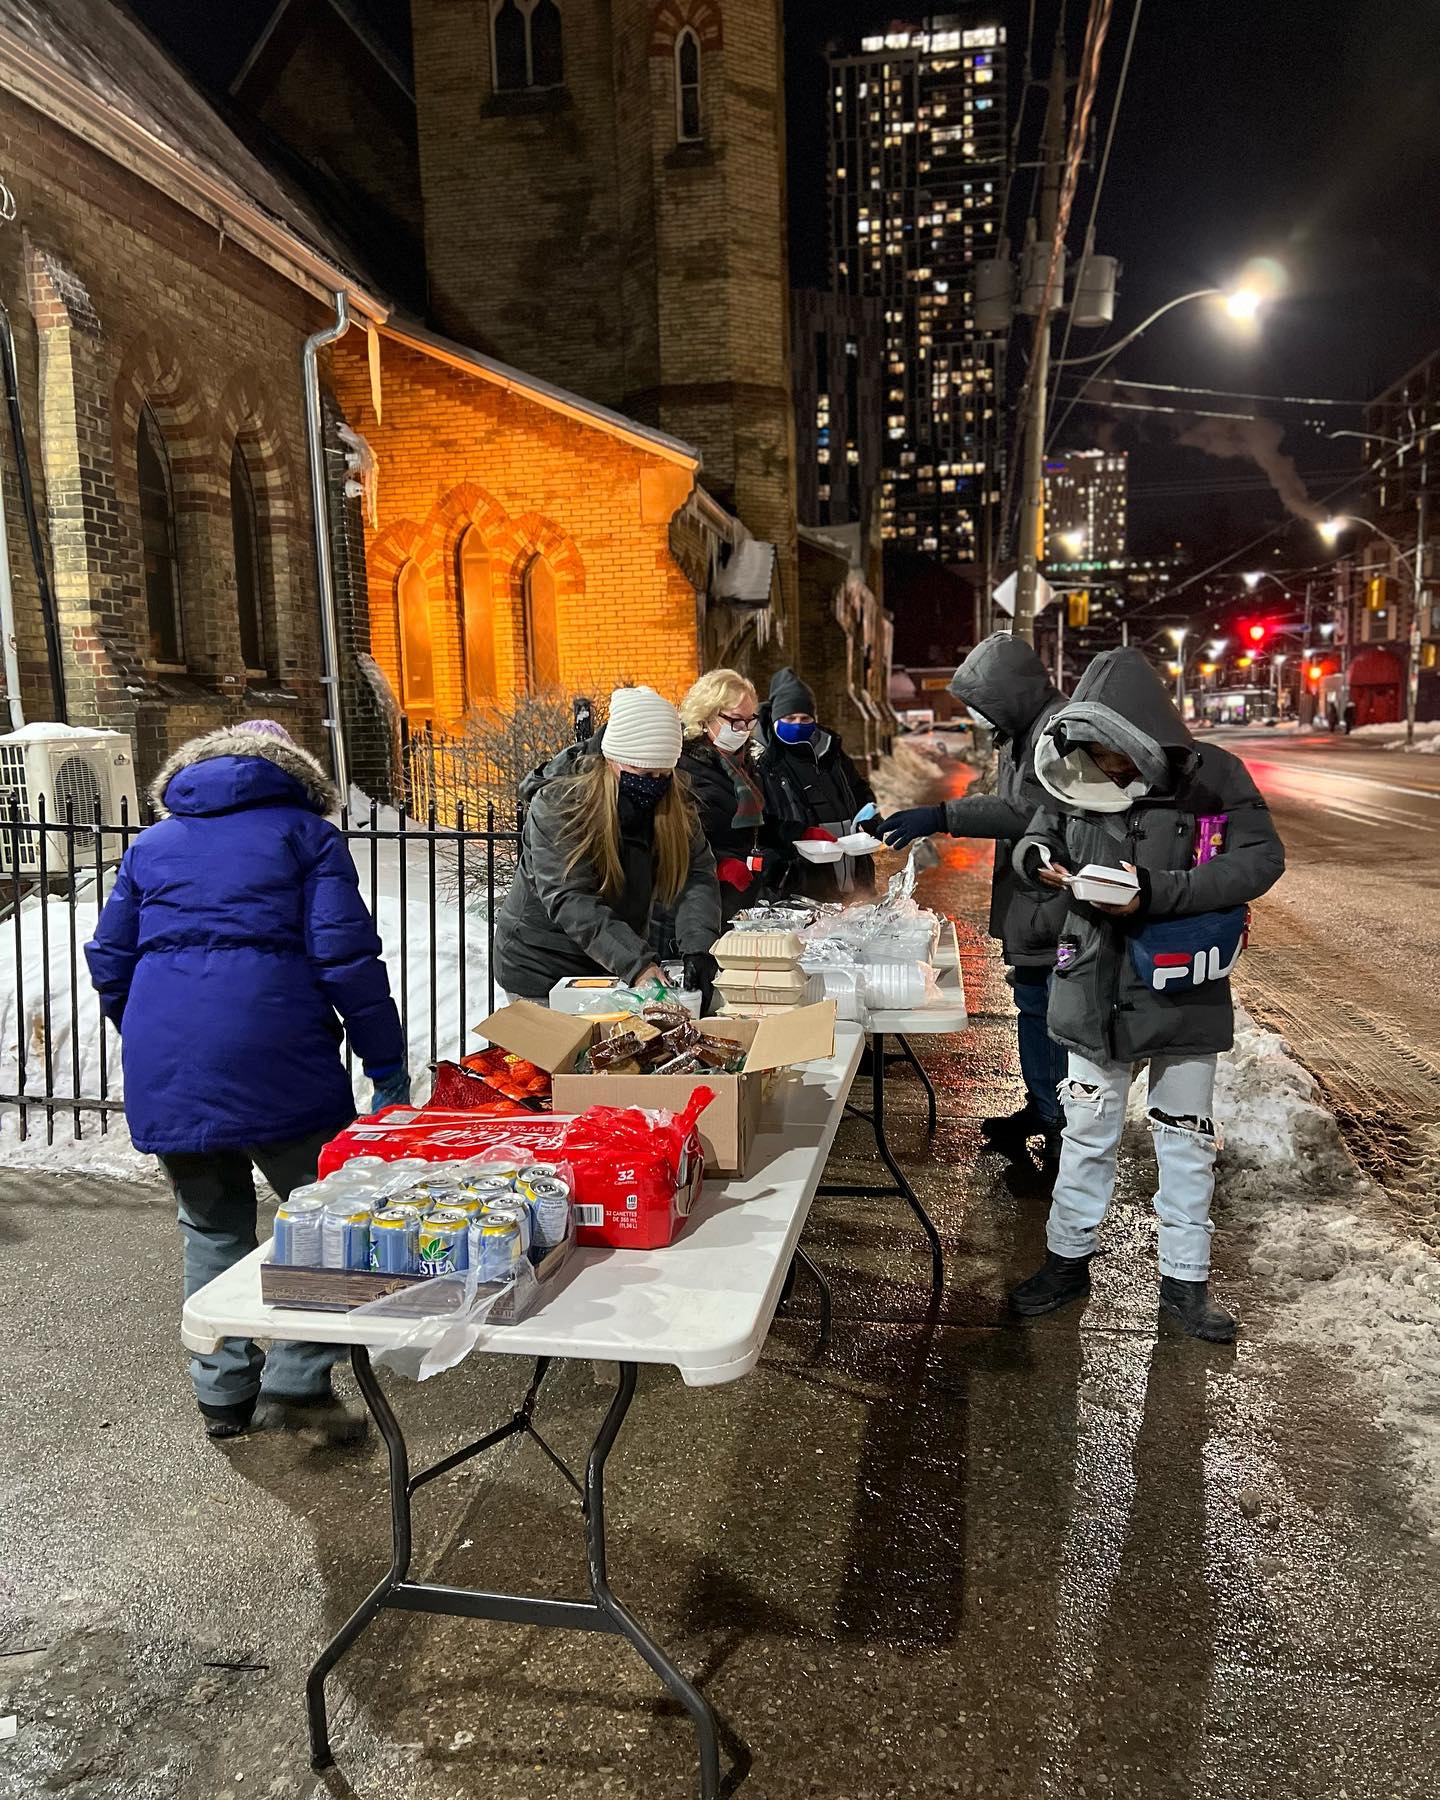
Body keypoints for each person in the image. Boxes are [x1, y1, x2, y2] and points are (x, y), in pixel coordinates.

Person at [85, 720, 408, 1442]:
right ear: (290, 773)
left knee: (210, 1227)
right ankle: (297, 1376)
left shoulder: (150, 846)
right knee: (325, 1215)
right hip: (279, 1054)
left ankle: (223, 1394)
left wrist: (149, 1030)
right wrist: (384, 1065)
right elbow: (346, 960)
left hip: (169, 1059)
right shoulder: (307, 836)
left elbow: (109, 958)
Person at [1008, 649, 1285, 1341]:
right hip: (1092, 980)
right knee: (1086, 1133)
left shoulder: (1214, 774)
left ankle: (1186, 1282)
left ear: (1144, 734)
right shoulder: (1071, 770)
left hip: (1182, 983)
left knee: (1186, 1140)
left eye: (1114, 754)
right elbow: (1037, 833)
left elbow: (1260, 859)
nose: (1105, 768)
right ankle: (1066, 1261)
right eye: (1094, 755)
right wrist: (1036, 861)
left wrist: (1159, 893)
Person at [880, 634, 1071, 1158]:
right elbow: (1004, 797)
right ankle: (1043, 1105)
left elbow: (1028, 812)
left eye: (984, 704)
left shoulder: (1053, 733)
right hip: (1032, 895)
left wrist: (944, 815)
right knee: (1032, 1003)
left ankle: (1063, 1125)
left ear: (1010, 694)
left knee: (1054, 1011)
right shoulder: (1022, 731)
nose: (979, 716)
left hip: (1053, 895)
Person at [494, 685, 722, 1008]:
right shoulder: (560, 803)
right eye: (643, 772)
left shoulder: (670, 802)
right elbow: (569, 897)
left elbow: (696, 873)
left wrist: (699, 946)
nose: (653, 783)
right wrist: (637, 964)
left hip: (612, 960)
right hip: (541, 966)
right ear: (613, 760)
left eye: (663, 773)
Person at [754, 665, 876, 900]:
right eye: (790, 718)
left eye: (805, 718)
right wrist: (799, 835)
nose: (798, 724)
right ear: (776, 718)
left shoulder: (832, 752)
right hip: (802, 882)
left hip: (854, 874)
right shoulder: (765, 764)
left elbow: (859, 789)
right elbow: (763, 824)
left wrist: (869, 817)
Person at [676, 668, 780, 925]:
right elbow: (677, 839)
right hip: (705, 901)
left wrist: (799, 834)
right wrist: (719, 864)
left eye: (749, 721)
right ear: (706, 716)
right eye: (735, 721)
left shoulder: (744, 765)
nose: (743, 730)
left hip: (747, 893)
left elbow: (761, 824)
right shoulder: (684, 769)